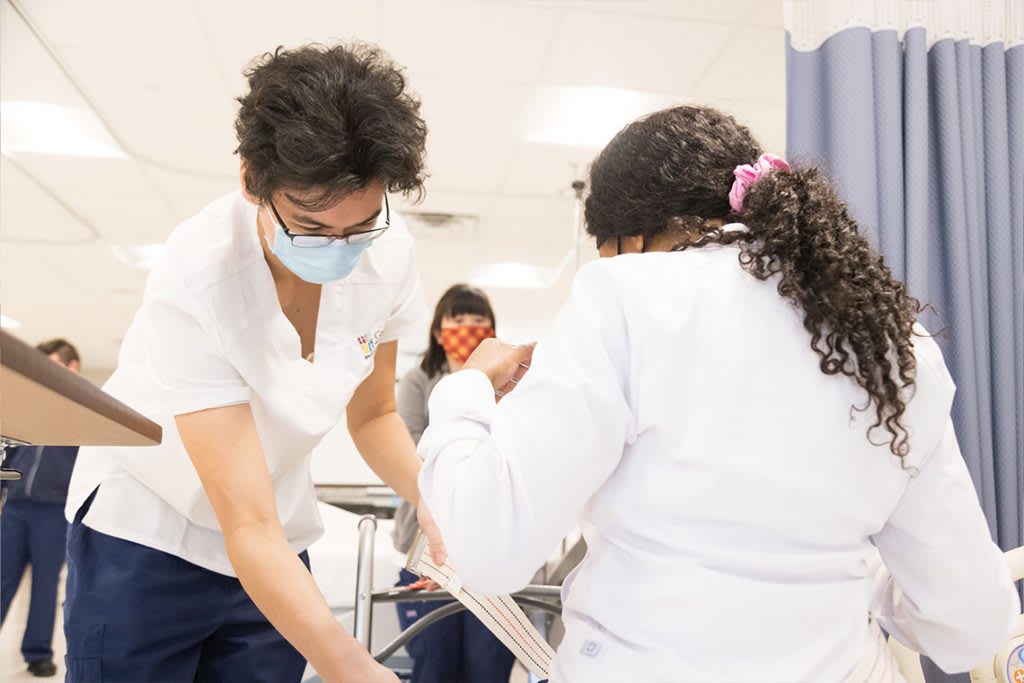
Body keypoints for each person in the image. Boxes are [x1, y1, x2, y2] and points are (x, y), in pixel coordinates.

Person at [415, 105, 1020, 682]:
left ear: (629, 242)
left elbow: (486, 548)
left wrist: (464, 393)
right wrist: (854, 575)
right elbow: (969, 624)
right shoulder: (892, 341)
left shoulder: (623, 297)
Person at [63, 43, 434, 683]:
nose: (340, 249)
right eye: (311, 228)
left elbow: (372, 415)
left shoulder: (390, 254)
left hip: (276, 540)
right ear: (251, 183)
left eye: (361, 225)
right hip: (152, 531)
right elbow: (246, 521)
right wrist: (352, 667)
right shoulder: (197, 276)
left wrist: (437, 503)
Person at [391, 284, 516, 683]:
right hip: (429, 545)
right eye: (457, 319)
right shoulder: (419, 380)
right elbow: (406, 448)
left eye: (478, 319)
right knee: (435, 664)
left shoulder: (511, 382)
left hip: (491, 540)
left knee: (487, 665)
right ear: (437, 329)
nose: (468, 326)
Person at [0, 339, 81, 678]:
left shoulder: (80, 412)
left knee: (46, 584)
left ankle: (37, 653)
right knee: (1, 578)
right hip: (16, 507)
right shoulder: (28, 407)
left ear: (71, 366)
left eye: (50, 364)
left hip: (54, 510)